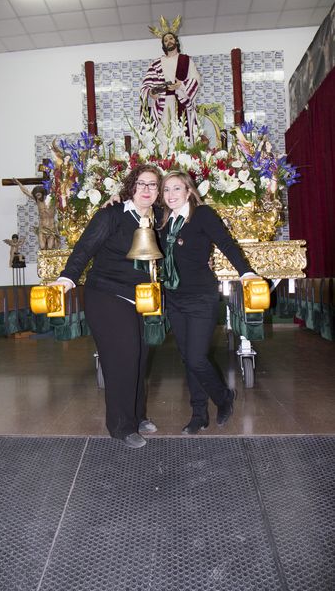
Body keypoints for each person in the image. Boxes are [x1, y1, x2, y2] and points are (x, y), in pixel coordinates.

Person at [54, 165, 163, 449]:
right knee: (121, 360)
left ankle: (137, 416)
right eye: (141, 184)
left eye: (153, 185)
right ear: (131, 186)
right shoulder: (111, 214)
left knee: (139, 358)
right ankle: (120, 426)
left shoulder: (160, 219)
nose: (147, 189)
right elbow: (84, 248)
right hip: (106, 293)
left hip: (141, 299)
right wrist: (67, 278)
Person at [159, 171, 259, 434]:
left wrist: (245, 271)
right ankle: (199, 413)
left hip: (201, 296)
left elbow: (226, 243)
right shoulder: (163, 223)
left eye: (176, 189)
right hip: (175, 298)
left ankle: (224, 397)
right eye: (166, 190)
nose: (170, 195)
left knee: (196, 357)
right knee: (187, 358)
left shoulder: (202, 215)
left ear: (189, 191)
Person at [140, 24, 201, 149]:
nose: (169, 42)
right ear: (163, 45)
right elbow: (145, 85)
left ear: (176, 41)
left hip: (180, 102)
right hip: (162, 104)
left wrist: (181, 85)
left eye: (171, 39)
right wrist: (151, 93)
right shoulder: (155, 63)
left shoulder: (186, 60)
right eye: (166, 40)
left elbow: (196, 79)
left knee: (182, 135)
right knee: (162, 136)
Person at [13, 179, 57, 250]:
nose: (38, 197)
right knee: (42, 247)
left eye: (39, 195)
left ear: (42, 193)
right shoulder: (38, 201)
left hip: (51, 228)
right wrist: (18, 183)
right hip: (42, 228)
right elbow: (26, 191)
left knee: (50, 248)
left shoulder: (51, 199)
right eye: (36, 196)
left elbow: (57, 190)